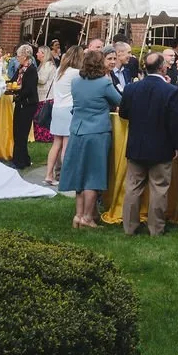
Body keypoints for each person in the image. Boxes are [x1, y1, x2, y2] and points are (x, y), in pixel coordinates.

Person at [119, 52, 178, 237]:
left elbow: (123, 113)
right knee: (159, 188)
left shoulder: (132, 88)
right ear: (163, 68)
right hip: (161, 147)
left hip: (137, 145)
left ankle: (129, 227)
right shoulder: (170, 91)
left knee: (133, 187)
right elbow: (175, 122)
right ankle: (156, 228)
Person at [60, 50, 121, 228]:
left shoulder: (76, 82)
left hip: (77, 130)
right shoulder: (104, 83)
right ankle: (88, 217)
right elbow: (120, 100)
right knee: (94, 176)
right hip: (97, 132)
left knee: (80, 174)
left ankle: (78, 215)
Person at [45, 44, 82, 186]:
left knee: (56, 144)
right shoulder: (75, 73)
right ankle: (66, 177)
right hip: (68, 109)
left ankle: (49, 174)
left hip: (57, 108)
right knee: (67, 145)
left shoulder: (60, 70)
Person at [9, 43, 40, 170]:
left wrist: (18, 91)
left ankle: (19, 160)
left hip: (27, 103)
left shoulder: (31, 70)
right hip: (20, 102)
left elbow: (29, 89)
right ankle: (23, 158)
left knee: (22, 132)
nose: (17, 58)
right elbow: (14, 81)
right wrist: (9, 86)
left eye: (19, 55)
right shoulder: (21, 68)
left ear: (25, 56)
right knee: (17, 131)